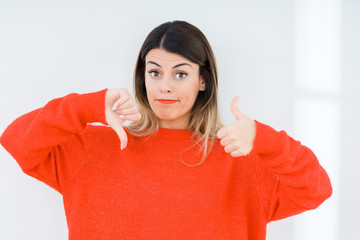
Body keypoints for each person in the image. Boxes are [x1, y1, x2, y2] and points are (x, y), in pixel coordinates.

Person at [0, 20, 332, 240]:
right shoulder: (95, 147)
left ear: (203, 80)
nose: (165, 87)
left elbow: (316, 189)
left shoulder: (240, 157)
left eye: (181, 74)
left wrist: (263, 139)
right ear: (142, 77)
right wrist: (85, 107)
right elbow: (15, 140)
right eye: (155, 72)